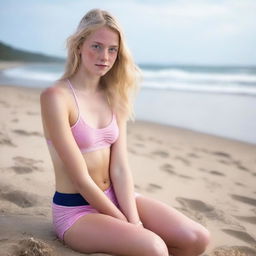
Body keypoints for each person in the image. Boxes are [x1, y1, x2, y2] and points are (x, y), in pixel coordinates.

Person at [40, 8, 210, 256]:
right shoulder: (56, 97)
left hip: (118, 196)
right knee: (154, 248)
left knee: (197, 238)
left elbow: (120, 168)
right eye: (96, 46)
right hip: (77, 211)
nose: (105, 57)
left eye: (112, 49)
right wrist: (125, 222)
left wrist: (133, 218)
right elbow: (80, 178)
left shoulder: (115, 97)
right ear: (78, 46)